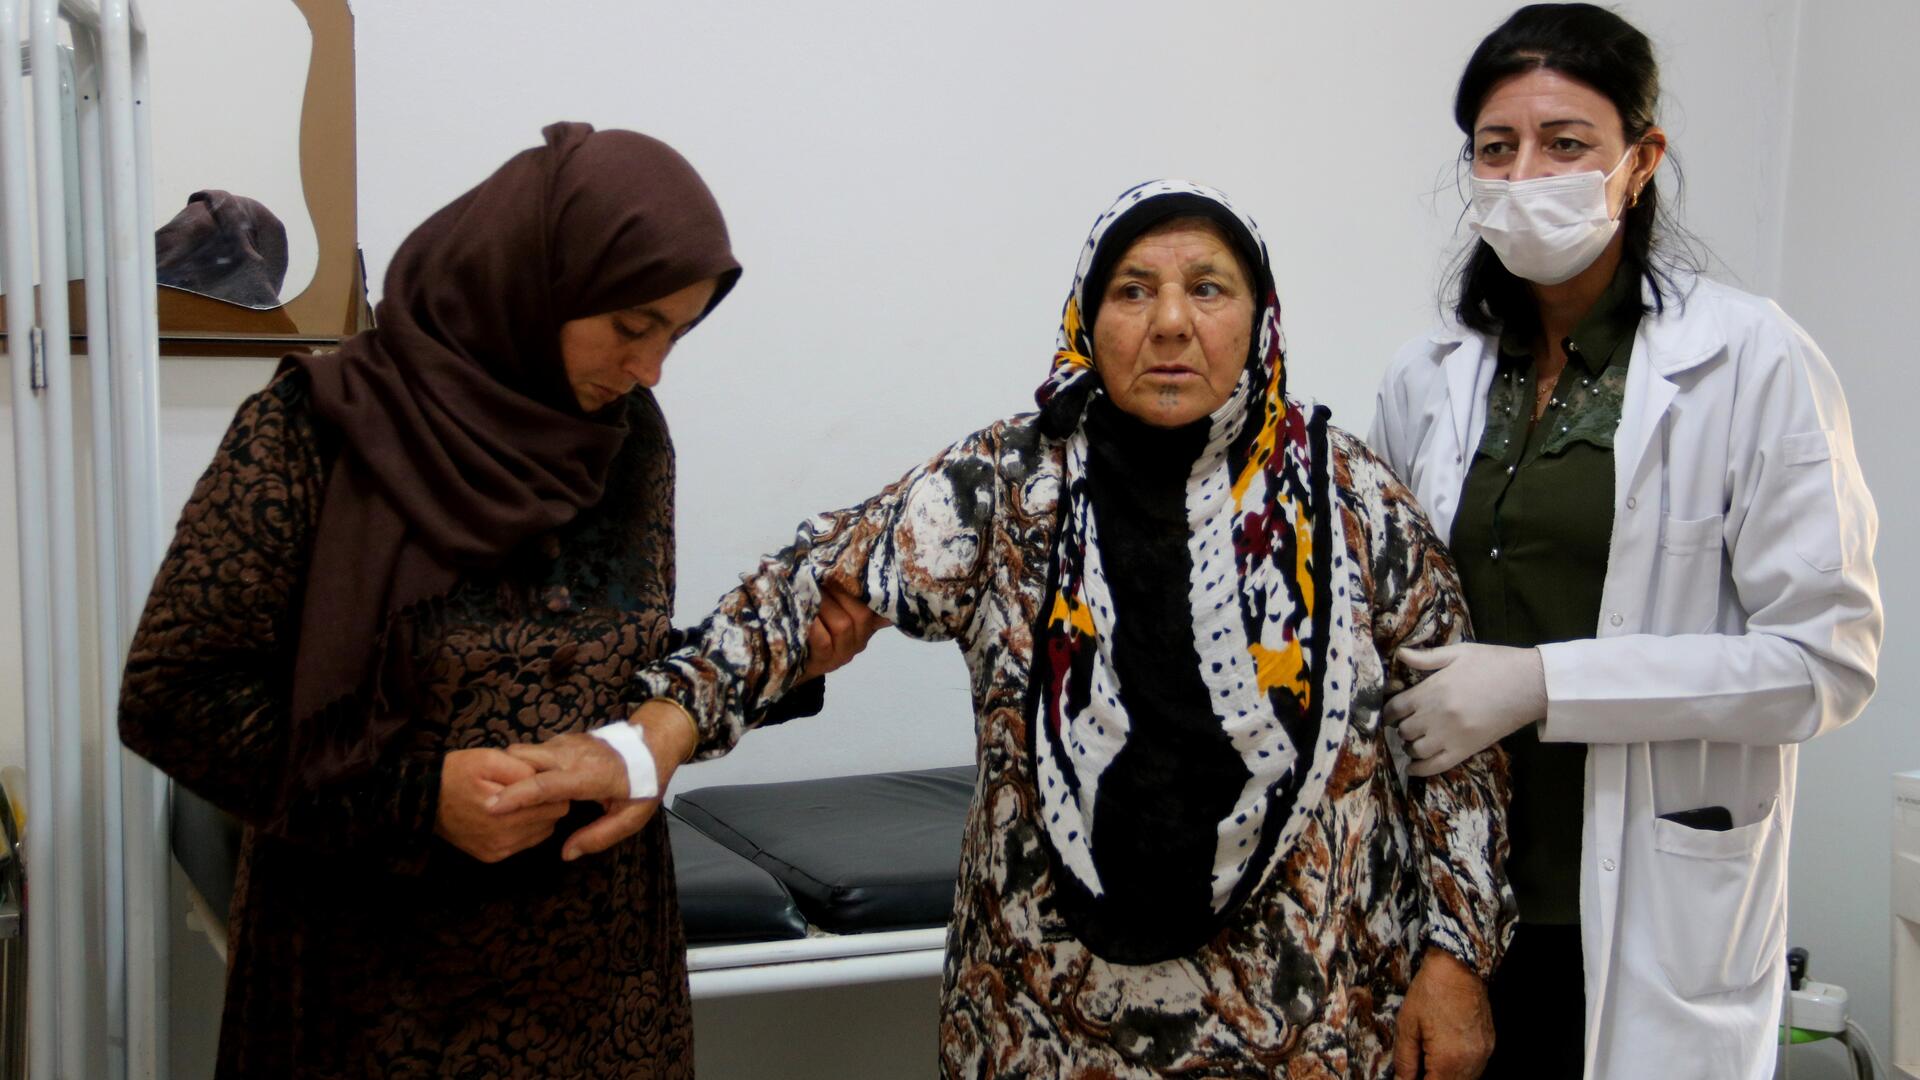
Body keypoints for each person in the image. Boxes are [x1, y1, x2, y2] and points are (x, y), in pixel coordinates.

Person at [493, 179, 1515, 1079]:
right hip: (1039, 1024)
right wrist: (651, 739)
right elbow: (812, 589)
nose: (1170, 323)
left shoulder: (1351, 499)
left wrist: (1457, 957)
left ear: (1261, 316)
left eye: (1208, 288)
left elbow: (1456, 744)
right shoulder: (1009, 485)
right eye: (1133, 291)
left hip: (1311, 1023)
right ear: (1087, 316)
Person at [119, 122, 871, 1077]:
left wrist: (775, 667)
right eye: (631, 326)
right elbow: (174, 698)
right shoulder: (319, 428)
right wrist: (415, 801)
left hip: (600, 988)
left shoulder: (627, 440)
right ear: (538, 278)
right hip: (378, 987)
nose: (650, 369)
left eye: (676, 335)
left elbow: (603, 659)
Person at [1368, 6, 1882, 1078]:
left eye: (1566, 144)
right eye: (1496, 148)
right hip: (1454, 902)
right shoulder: (1428, 377)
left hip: (1654, 906)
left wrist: (1547, 684)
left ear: (1640, 161)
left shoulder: (1749, 358)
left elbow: (1824, 664)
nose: (1525, 175)